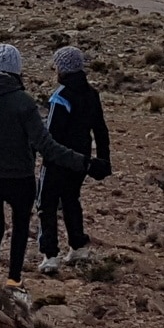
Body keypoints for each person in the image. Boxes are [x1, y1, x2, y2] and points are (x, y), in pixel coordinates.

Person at [0, 43, 94, 287]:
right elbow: (47, 146)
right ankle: (13, 282)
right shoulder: (23, 102)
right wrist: (82, 162)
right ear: (17, 69)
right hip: (20, 180)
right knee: (20, 229)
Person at [37, 45, 110, 273]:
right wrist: (103, 160)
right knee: (71, 200)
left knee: (46, 204)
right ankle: (78, 245)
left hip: (58, 160)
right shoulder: (92, 94)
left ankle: (50, 255)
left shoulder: (60, 97)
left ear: (62, 68)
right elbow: (101, 129)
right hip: (82, 159)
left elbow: (51, 134)